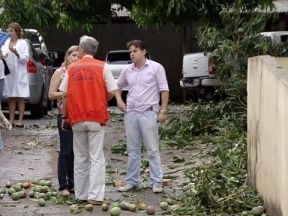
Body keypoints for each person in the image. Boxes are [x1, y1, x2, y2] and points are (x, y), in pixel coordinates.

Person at [59, 35, 118, 205]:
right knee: (97, 158)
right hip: (96, 117)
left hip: (77, 117)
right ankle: (95, 196)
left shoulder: (71, 68)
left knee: (81, 157)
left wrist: (65, 116)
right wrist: (101, 99)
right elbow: (112, 91)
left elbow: (65, 94)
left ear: (82, 49)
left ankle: (81, 194)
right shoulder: (103, 66)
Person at [116, 40, 169, 193]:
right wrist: (119, 101)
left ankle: (156, 181)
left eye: (135, 51)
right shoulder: (127, 70)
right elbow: (117, 87)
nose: (132, 54)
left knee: (152, 149)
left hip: (148, 112)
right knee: (132, 150)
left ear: (144, 51)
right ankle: (132, 181)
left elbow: (164, 90)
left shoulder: (156, 68)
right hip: (131, 113)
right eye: (130, 52)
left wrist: (163, 111)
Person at [48, 45, 79, 196]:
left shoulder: (79, 72)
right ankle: (63, 185)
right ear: (67, 56)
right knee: (65, 150)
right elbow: (51, 94)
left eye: (79, 56)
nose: (76, 58)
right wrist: (65, 93)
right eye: (74, 55)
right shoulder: (60, 72)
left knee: (75, 152)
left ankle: (73, 184)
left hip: (78, 115)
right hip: (64, 115)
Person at [1, 22, 30, 127]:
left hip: (19, 73)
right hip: (9, 73)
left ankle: (20, 120)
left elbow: (26, 58)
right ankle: (11, 119)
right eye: (8, 30)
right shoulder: (6, 42)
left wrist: (17, 53)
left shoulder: (23, 43)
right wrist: (4, 54)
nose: (9, 33)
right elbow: (3, 54)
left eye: (11, 31)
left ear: (17, 32)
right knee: (11, 97)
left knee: (20, 96)